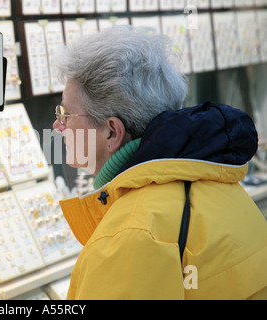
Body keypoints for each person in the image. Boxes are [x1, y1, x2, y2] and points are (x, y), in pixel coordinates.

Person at [52, 25, 267, 300]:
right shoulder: (219, 182)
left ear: (112, 132)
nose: (58, 126)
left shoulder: (130, 235)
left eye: (66, 114)